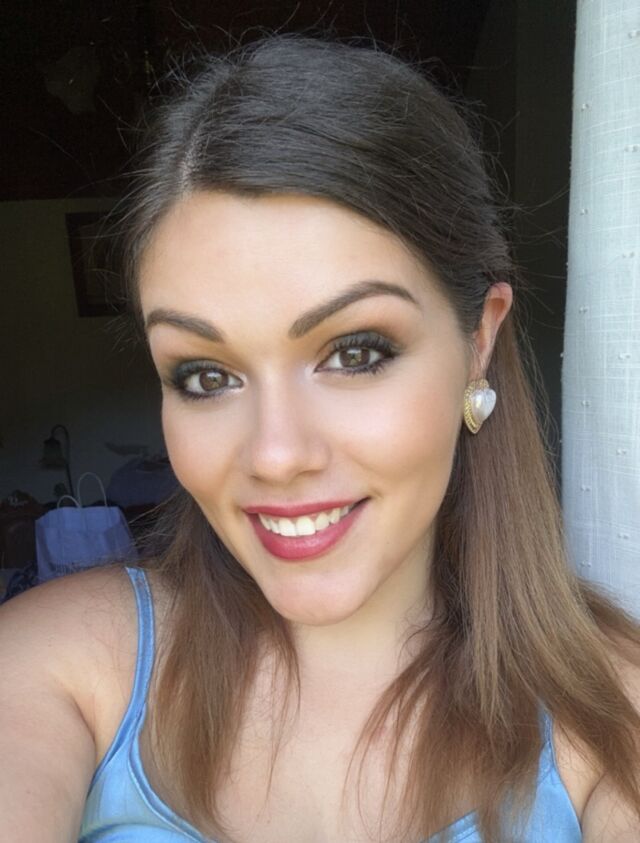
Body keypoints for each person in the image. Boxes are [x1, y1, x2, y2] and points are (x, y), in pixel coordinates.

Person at [1, 32, 639, 843]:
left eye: (355, 352)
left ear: (478, 340)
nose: (274, 454)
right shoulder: (57, 662)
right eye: (206, 374)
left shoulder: (612, 712)